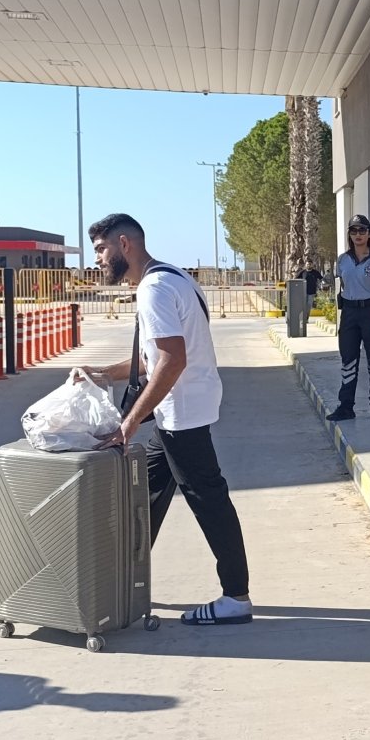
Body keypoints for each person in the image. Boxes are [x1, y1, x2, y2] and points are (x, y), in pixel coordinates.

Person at [82, 213, 252, 626]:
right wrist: (101, 374)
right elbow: (150, 359)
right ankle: (123, 581)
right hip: (179, 411)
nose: (99, 260)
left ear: (125, 245)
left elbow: (173, 361)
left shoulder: (154, 290)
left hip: (182, 414)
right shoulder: (173, 277)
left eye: (102, 249)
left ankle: (236, 597)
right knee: (146, 499)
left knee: (208, 500)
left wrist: (129, 422)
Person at [328, 214, 370, 422]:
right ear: (349, 234)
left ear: (369, 233)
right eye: (354, 231)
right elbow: (343, 286)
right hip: (349, 313)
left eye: (362, 230)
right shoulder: (343, 260)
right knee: (348, 359)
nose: (358, 235)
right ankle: (346, 407)